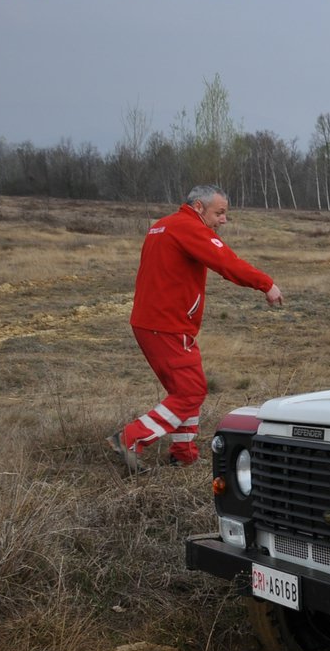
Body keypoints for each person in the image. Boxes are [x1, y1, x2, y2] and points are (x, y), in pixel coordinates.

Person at [108, 185, 284, 473]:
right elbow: (227, 262)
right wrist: (266, 284)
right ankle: (129, 439)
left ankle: (184, 454)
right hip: (167, 324)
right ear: (199, 208)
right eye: (220, 212)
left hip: (154, 322)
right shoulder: (189, 228)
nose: (224, 220)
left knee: (186, 389)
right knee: (191, 392)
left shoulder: (163, 226)